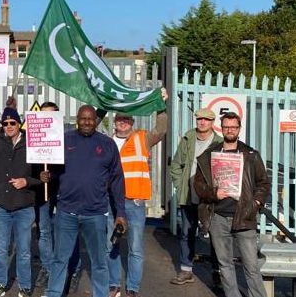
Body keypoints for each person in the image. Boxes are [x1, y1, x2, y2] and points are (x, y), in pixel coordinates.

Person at [44, 105, 127, 297]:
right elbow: (54, 172)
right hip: (66, 212)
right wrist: (47, 176)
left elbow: (117, 180)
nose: (87, 122)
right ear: (77, 120)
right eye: (83, 118)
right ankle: (53, 293)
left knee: (99, 262)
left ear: (95, 121)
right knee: (60, 260)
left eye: (90, 119)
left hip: (96, 213)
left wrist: (120, 213)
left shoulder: (107, 144)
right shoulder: (65, 141)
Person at [194, 112, 270, 297]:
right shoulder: (210, 155)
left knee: (251, 266)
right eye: (227, 126)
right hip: (218, 217)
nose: (230, 130)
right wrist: (214, 193)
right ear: (221, 127)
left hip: (244, 216)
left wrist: (256, 203)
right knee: (225, 264)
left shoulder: (250, 154)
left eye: (234, 127)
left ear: (239, 129)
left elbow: (264, 183)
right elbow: (198, 185)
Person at [105, 88, 168, 297]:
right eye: (119, 119)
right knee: (110, 244)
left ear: (132, 122)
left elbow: (161, 128)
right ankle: (114, 285)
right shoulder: (106, 142)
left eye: (126, 119)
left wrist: (161, 105)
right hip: (111, 202)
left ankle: (132, 288)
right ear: (114, 122)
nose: (122, 122)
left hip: (135, 201)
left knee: (135, 248)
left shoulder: (143, 138)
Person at [0, 106, 41, 297]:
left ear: (19, 123)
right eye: (5, 123)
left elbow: (42, 176)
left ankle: (24, 285)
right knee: (1, 249)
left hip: (23, 205)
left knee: (23, 250)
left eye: (12, 122)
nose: (8, 126)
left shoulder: (32, 144)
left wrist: (27, 181)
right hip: (0, 204)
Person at [168, 108, 222, 286]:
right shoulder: (188, 138)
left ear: (212, 122)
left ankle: (217, 272)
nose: (202, 122)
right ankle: (186, 270)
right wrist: (179, 184)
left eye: (206, 119)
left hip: (209, 198)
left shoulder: (219, 142)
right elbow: (176, 164)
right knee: (186, 232)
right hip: (189, 195)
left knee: (215, 236)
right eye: (200, 119)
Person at [33, 101, 83, 293]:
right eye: (43, 115)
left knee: (67, 232)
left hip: (64, 191)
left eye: (50, 115)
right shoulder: (34, 136)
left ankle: (74, 269)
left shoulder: (68, 138)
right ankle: (48, 268)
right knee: (44, 231)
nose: (46, 119)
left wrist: (54, 175)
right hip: (42, 190)